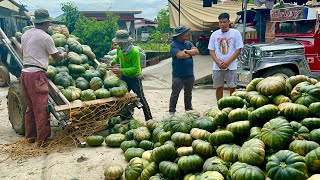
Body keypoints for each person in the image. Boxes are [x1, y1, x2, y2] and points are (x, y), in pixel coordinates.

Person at [21, 8, 67, 146]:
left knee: (30, 107)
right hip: (37, 75)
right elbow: (57, 58)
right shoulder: (46, 37)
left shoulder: (25, 34)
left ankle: (30, 137)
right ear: (46, 23)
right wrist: (64, 54)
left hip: (24, 74)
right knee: (41, 108)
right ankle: (43, 141)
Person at [110, 30, 153, 121]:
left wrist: (121, 70)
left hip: (134, 78)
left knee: (141, 98)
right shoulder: (119, 48)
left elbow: (136, 69)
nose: (117, 43)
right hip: (124, 77)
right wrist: (113, 61)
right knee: (122, 99)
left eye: (119, 42)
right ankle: (125, 117)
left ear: (125, 42)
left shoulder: (134, 52)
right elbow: (118, 57)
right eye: (117, 42)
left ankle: (149, 119)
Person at [208, 13, 243, 101]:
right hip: (217, 67)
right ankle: (220, 105)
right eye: (220, 22)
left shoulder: (235, 33)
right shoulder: (214, 34)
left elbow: (238, 50)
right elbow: (211, 50)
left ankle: (233, 106)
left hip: (231, 66)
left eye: (224, 22)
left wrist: (227, 62)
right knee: (218, 87)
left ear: (229, 22)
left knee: (232, 87)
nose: (222, 24)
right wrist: (218, 62)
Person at [169, 26, 199, 116]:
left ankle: (188, 110)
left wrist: (185, 51)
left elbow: (196, 52)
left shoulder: (188, 43)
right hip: (178, 74)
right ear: (179, 35)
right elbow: (180, 55)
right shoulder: (174, 44)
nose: (187, 34)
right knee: (175, 93)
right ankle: (172, 111)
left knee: (188, 93)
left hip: (189, 73)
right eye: (184, 33)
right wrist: (190, 53)